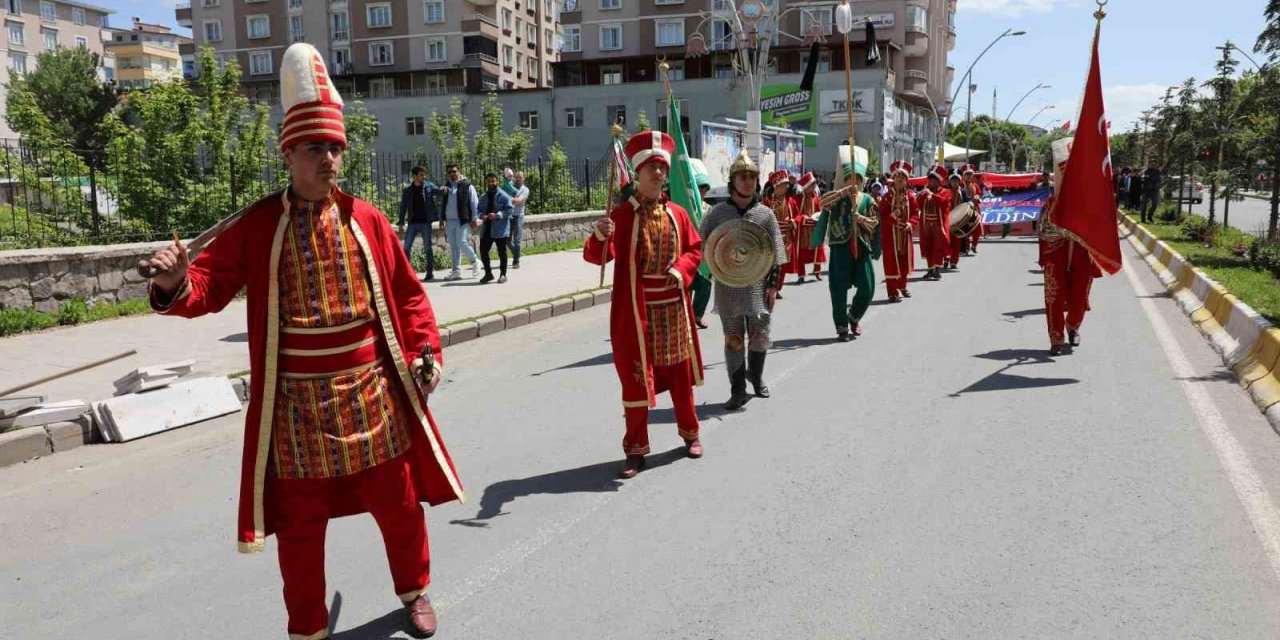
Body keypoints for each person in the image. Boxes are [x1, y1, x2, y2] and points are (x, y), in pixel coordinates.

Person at [137, 43, 462, 640]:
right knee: (301, 527)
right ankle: (307, 628)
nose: (331, 159)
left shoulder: (368, 220)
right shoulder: (259, 225)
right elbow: (206, 286)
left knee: (400, 504)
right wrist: (173, 280)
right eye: (317, 148)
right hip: (294, 409)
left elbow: (410, 294)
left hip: (372, 395)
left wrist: (427, 352)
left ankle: (415, 590)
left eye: (336, 147)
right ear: (288, 154)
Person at [584, 130, 705, 479]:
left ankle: (691, 434)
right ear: (637, 173)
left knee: (681, 379)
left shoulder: (679, 214)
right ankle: (635, 449)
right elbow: (596, 257)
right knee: (635, 384)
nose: (657, 174)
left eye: (662, 168)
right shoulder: (621, 216)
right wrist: (600, 235)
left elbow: (695, 250)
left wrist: (682, 271)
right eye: (651, 167)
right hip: (636, 317)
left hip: (674, 311)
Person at [700, 150, 788, 412]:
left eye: (752, 176)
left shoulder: (766, 215)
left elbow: (777, 254)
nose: (747, 181)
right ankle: (737, 390)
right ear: (733, 181)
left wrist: (773, 286)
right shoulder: (717, 214)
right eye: (742, 176)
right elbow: (702, 244)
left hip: (759, 286)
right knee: (734, 339)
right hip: (729, 286)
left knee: (760, 336)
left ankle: (756, 377)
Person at [813, 145, 879, 341]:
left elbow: (874, 224)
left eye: (857, 178)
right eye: (850, 178)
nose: (853, 182)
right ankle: (841, 326)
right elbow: (823, 203)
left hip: (861, 246)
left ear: (861, 180)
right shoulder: (835, 196)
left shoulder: (867, 199)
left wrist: (860, 219)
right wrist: (842, 192)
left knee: (868, 287)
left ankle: (854, 316)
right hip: (841, 246)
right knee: (838, 289)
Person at [1039, 184, 1101, 355]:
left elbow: (1097, 230)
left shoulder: (1088, 205)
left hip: (1081, 255)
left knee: (1079, 298)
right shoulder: (1051, 203)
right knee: (1054, 299)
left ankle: (1072, 327)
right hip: (1056, 255)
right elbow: (1044, 233)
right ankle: (1056, 339)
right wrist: (1062, 231)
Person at [878, 161, 917, 302]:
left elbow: (915, 214)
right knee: (891, 263)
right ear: (893, 180)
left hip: (905, 235)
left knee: (904, 263)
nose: (900, 181)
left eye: (903, 179)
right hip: (891, 235)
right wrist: (892, 216)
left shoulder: (911, 197)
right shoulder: (886, 198)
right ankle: (892, 292)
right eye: (897, 179)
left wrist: (910, 223)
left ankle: (902, 285)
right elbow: (882, 216)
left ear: (906, 181)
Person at [397, 166, 441, 282]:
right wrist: (401, 222)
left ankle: (430, 273)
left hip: (426, 223)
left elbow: (439, 192)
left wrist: (444, 189)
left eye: (424, 175)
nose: (424, 177)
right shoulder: (408, 190)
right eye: (421, 175)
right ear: (414, 176)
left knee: (427, 248)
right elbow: (403, 206)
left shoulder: (429, 186)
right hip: (412, 223)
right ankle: (408, 274)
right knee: (406, 247)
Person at [442, 163, 481, 280]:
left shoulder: (467, 185)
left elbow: (474, 203)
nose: (452, 174)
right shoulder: (447, 186)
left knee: (461, 242)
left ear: (459, 171)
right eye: (449, 172)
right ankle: (456, 271)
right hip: (449, 220)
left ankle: (475, 262)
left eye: (454, 171)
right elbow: (443, 204)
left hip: (463, 219)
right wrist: (441, 218)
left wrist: (474, 218)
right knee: (454, 246)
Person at [787, 171, 826, 283]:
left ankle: (817, 272)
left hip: (814, 228)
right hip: (802, 230)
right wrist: (803, 219)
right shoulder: (798, 198)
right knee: (801, 253)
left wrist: (817, 218)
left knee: (817, 250)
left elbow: (820, 212)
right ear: (806, 186)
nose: (814, 186)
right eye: (812, 184)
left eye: (814, 184)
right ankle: (801, 275)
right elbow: (795, 214)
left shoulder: (816, 198)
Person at [477, 172, 514, 284]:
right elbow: (478, 209)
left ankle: (503, 274)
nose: (491, 183)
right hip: (486, 228)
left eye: (493, 181)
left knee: (502, 252)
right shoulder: (483, 197)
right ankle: (488, 274)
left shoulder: (503, 196)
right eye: (489, 181)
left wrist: (498, 215)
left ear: (497, 181)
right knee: (483, 250)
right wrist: (481, 215)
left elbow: (509, 210)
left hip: (500, 229)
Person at [918, 165, 953, 281]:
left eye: (933, 180)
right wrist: (923, 195)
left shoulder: (946, 192)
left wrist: (932, 195)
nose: (930, 182)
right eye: (930, 180)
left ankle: (937, 270)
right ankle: (930, 270)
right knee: (928, 247)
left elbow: (944, 203)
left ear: (938, 182)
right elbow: (917, 204)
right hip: (927, 225)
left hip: (938, 225)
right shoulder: (925, 192)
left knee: (937, 248)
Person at [691, 172, 714, 328]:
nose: (703, 191)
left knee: (705, 286)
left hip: (704, 253)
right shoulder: (685, 206)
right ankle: (685, 317)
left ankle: (697, 315)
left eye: (705, 189)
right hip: (687, 252)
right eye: (700, 188)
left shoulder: (709, 209)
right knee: (686, 286)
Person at [945, 173, 971, 270]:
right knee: (946, 241)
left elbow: (968, 201)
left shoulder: (963, 192)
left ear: (959, 182)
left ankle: (954, 261)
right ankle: (946, 259)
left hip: (958, 220)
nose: (954, 183)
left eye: (956, 181)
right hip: (946, 219)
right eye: (953, 181)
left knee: (956, 242)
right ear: (950, 182)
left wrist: (972, 201)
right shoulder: (945, 191)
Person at [506, 171, 530, 269]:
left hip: (518, 216)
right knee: (506, 240)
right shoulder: (510, 187)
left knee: (517, 240)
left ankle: (516, 261)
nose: (518, 179)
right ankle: (516, 253)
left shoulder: (525, 190)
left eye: (520, 177)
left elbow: (518, 200)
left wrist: (507, 199)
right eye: (516, 177)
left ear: (523, 179)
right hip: (509, 216)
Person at [961, 165, 985, 255]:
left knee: (978, 228)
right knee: (965, 230)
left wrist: (977, 196)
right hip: (963, 210)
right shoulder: (960, 185)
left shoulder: (975, 185)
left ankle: (974, 245)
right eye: (967, 174)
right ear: (963, 176)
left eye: (970, 174)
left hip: (974, 209)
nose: (968, 176)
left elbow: (979, 194)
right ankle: (966, 248)